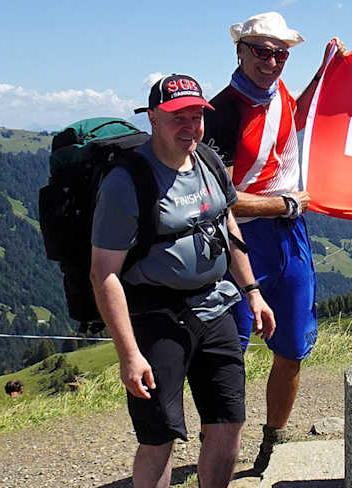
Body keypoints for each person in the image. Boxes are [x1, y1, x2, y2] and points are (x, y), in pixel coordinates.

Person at [91, 74, 275, 488]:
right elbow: (103, 272)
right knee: (159, 437)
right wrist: (129, 355)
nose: (190, 126)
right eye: (178, 117)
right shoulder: (127, 182)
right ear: (153, 117)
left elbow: (228, 224)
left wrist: (253, 293)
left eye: (197, 116)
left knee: (228, 423)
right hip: (156, 314)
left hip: (215, 305)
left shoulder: (209, 161)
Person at [201, 11, 343, 473]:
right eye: (261, 51)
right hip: (241, 241)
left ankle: (272, 443)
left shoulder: (277, 91)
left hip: (290, 239)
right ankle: (220, 454)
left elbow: (290, 119)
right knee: (230, 352)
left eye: (280, 53)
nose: (272, 60)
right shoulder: (221, 113)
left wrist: (324, 72)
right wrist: (284, 206)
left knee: (292, 347)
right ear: (240, 51)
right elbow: (218, 203)